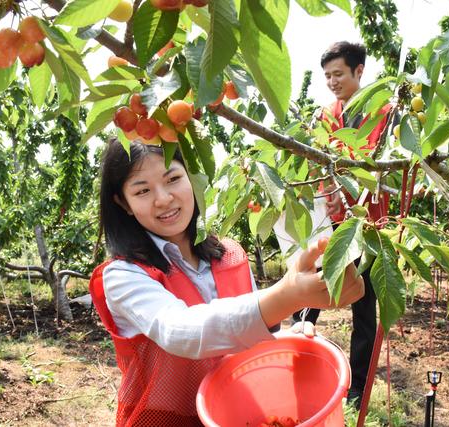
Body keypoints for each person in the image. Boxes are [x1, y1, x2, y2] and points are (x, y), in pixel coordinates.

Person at [89, 139, 365, 427]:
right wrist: (287, 296)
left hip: (233, 414)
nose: (163, 198)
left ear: (191, 178)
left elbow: (255, 331)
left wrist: (290, 342)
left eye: (173, 179)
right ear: (124, 203)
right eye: (143, 190)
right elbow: (179, 331)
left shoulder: (230, 255)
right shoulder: (123, 276)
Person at [296, 41, 394, 410]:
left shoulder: (384, 113)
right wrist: (330, 192)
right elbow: (323, 163)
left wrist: (351, 195)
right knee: (308, 293)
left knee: (364, 307)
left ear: (359, 71)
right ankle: (298, 359)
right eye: (327, 76)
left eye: (338, 74)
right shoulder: (326, 115)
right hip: (331, 223)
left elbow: (383, 166)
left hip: (371, 227)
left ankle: (358, 388)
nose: (332, 82)